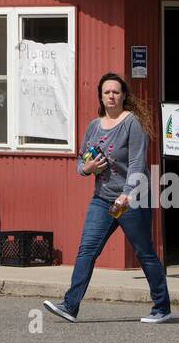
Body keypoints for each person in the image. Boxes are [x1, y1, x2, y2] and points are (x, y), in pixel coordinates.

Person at [43, 72, 172, 324]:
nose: (111, 96)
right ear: (101, 97)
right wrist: (88, 168)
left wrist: (127, 194)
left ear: (124, 95)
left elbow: (136, 163)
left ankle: (162, 307)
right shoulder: (94, 126)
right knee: (87, 250)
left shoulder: (131, 123)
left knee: (143, 251)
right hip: (103, 199)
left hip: (132, 199)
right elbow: (82, 161)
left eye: (116, 91)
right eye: (106, 92)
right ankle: (70, 306)